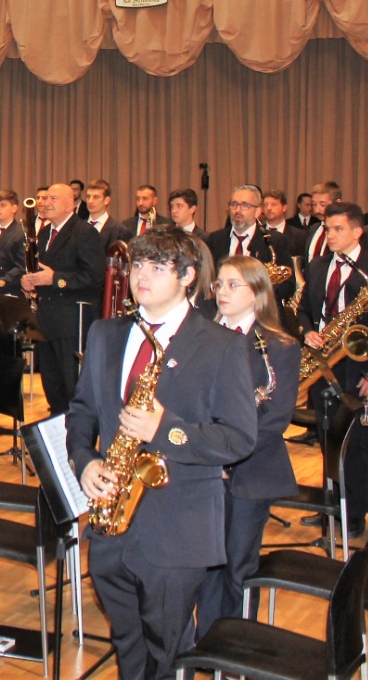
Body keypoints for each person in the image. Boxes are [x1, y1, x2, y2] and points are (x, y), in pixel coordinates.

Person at [67, 229, 256, 679]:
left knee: (166, 650)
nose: (141, 276)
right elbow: (82, 412)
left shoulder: (222, 345)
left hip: (177, 530)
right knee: (127, 642)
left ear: (188, 277)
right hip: (111, 525)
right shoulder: (105, 333)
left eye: (157, 267)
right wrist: (85, 460)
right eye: (137, 265)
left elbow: (238, 438)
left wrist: (164, 429)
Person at [194, 256, 300, 636]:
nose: (221, 292)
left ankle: (235, 646)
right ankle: (207, 643)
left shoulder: (279, 347)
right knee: (207, 563)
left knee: (237, 565)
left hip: (248, 472)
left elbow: (275, 419)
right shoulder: (201, 338)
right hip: (204, 467)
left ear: (256, 293)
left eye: (232, 285)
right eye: (218, 284)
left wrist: (229, 457)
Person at [298, 201, 368, 538]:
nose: (330, 235)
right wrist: (307, 331)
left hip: (359, 368)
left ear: (357, 232)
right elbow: (303, 310)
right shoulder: (318, 266)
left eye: (338, 229)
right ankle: (330, 506)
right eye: (327, 229)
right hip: (323, 363)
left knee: (355, 444)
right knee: (327, 439)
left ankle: (353, 515)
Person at [23, 183, 105, 415]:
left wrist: (55, 278)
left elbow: (94, 277)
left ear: (70, 205)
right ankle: (58, 432)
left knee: (72, 387)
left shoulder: (85, 233)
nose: (46, 203)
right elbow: (41, 271)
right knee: (53, 387)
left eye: (53, 199)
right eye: (45, 198)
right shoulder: (44, 233)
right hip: (47, 323)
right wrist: (29, 281)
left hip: (72, 324)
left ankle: (77, 434)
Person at [206, 185, 295, 303]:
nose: (237, 210)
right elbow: (206, 279)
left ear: (258, 211)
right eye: (234, 204)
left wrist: (256, 292)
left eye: (245, 205)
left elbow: (288, 285)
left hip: (261, 309)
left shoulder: (274, 241)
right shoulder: (214, 239)